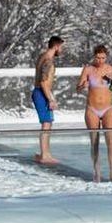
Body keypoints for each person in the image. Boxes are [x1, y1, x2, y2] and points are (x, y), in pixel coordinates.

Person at [77, 44, 112, 182]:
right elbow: (78, 87)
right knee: (94, 141)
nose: (100, 60)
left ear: (106, 57)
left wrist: (111, 80)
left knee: (111, 141)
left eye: (103, 58)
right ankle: (97, 172)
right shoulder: (88, 69)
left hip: (107, 108)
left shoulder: (111, 69)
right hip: (92, 108)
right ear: (94, 56)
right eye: (98, 57)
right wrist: (82, 86)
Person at [32, 36, 65, 165]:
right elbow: (44, 82)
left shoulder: (42, 56)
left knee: (47, 123)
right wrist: (50, 99)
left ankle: (44, 153)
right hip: (41, 93)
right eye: (61, 47)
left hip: (39, 92)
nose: (61, 50)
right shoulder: (48, 61)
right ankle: (45, 155)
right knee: (46, 124)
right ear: (56, 46)